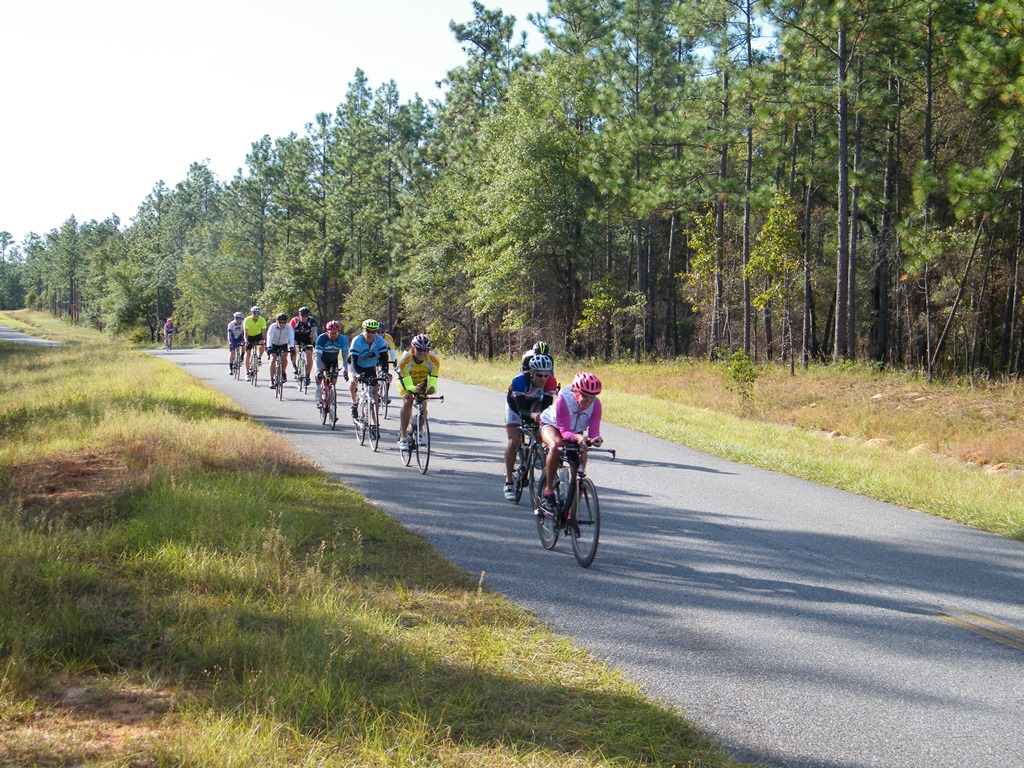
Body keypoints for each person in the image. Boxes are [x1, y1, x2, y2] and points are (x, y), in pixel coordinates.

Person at [536, 371, 604, 515]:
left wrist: (595, 439)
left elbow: (593, 431)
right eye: (584, 395)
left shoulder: (596, 405)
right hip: (552, 425)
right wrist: (580, 438)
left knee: (583, 454)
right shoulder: (564, 399)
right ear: (575, 391)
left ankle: (572, 502)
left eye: (592, 396)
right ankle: (548, 491)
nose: (588, 400)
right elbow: (565, 431)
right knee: (556, 445)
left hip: (574, 432)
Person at [503, 353, 557, 501]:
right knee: (514, 442)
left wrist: (539, 417)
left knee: (543, 424)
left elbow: (546, 407)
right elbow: (521, 411)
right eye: (540, 376)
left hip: (535, 404)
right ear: (531, 372)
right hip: (516, 406)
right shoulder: (519, 381)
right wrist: (532, 416)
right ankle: (508, 481)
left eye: (546, 375)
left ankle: (537, 449)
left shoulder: (551, 382)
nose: (543, 379)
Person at [396, 334, 440, 450]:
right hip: (405, 380)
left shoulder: (434, 360)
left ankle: (420, 430)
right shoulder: (405, 360)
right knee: (408, 401)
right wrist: (415, 389)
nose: (422, 353)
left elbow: (434, 380)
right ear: (413, 349)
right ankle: (403, 436)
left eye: (425, 350)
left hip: (421, 381)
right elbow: (408, 383)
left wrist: (431, 388)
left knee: (423, 405)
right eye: (419, 349)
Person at [348, 319, 390, 419]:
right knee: (353, 381)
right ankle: (354, 403)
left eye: (373, 332)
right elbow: (354, 360)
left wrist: (385, 372)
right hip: (355, 364)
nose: (371, 334)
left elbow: (384, 358)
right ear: (363, 330)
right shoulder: (357, 341)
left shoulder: (379, 340)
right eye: (368, 331)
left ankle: (374, 423)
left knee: (374, 392)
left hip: (369, 366)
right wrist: (357, 374)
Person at [314, 320, 350, 408]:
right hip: (322, 359)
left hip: (333, 360)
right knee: (319, 376)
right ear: (327, 332)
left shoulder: (342, 339)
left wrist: (346, 370)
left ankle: (331, 405)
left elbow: (345, 356)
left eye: (336, 333)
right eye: (332, 333)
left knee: (333, 382)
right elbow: (318, 356)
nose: (334, 335)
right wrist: (319, 370)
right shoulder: (322, 338)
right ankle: (318, 397)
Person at [289, 306, 318, 384]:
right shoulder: (294, 320)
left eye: (306, 316)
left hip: (306, 339)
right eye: (302, 315)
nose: (304, 317)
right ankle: (294, 365)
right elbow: (290, 334)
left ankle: (307, 375)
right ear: (299, 314)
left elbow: (314, 333)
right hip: (296, 338)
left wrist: (315, 343)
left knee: (309, 355)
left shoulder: (311, 320)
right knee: (293, 348)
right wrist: (292, 345)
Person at [266, 312, 296, 388]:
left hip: (283, 344)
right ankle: (271, 379)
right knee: (273, 359)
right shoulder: (273, 326)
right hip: (274, 344)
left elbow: (291, 337)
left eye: (283, 322)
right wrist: (269, 346)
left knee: (284, 356)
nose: (281, 324)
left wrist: (292, 347)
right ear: (277, 321)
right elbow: (269, 336)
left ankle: (283, 371)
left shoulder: (288, 327)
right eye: (280, 322)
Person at [243, 306, 267, 374]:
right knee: (248, 354)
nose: (256, 315)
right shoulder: (247, 320)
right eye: (254, 313)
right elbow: (246, 331)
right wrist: (246, 340)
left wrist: (264, 340)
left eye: (258, 313)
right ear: (251, 313)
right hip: (249, 336)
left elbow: (264, 331)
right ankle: (247, 373)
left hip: (257, 335)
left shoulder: (262, 320)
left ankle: (259, 358)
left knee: (262, 343)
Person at [378, 325, 398, 404]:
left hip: (384, 357)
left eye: (382, 332)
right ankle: (375, 390)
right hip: (374, 357)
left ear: (384, 332)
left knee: (387, 376)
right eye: (378, 332)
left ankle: (385, 394)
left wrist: (394, 361)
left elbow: (392, 350)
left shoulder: (388, 338)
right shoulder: (373, 337)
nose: (380, 334)